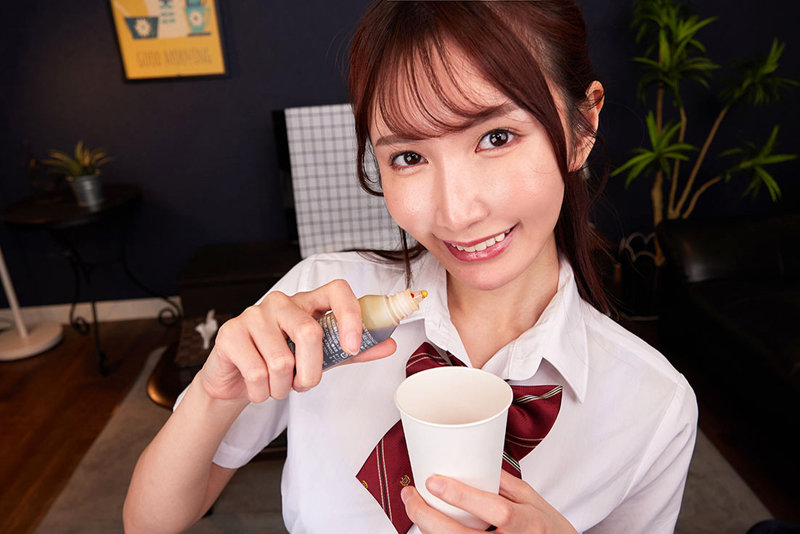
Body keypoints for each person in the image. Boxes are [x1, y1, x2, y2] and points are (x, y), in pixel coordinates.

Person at [124, 1, 698, 533]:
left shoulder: (654, 405)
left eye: (496, 137)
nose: (456, 212)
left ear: (582, 127)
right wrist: (213, 392)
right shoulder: (318, 310)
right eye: (408, 156)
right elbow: (150, 524)